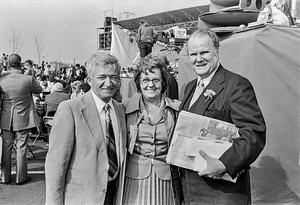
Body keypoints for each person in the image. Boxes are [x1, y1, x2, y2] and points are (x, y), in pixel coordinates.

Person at [178, 29, 266, 204]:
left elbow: (254, 134)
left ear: (217, 51)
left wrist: (224, 164)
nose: (198, 59)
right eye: (193, 54)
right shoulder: (188, 88)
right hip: (190, 189)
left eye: (204, 52)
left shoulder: (237, 85)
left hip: (223, 192)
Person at [45, 51, 127, 205]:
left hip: (114, 196)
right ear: (89, 80)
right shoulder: (70, 109)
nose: (109, 83)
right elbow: (55, 166)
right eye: (102, 77)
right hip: (82, 198)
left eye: (114, 77)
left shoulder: (120, 110)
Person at [122, 54, 181, 205]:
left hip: (166, 179)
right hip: (134, 178)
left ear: (163, 82)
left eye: (156, 80)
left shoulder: (176, 109)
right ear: (138, 83)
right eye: (145, 80)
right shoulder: (125, 108)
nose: (151, 85)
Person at [0, 54, 42, 185]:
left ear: (8, 64)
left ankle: (4, 177)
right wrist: (30, 75)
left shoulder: (1, 79)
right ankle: (20, 177)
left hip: (6, 118)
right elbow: (39, 90)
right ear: (20, 63)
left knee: (6, 148)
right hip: (23, 118)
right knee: (21, 147)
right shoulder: (28, 79)